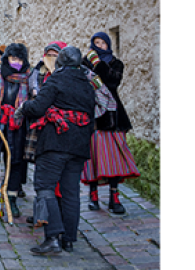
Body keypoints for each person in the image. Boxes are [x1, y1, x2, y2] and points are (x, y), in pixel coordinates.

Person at [16, 46, 96, 254]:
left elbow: (38, 107)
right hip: (78, 145)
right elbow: (92, 117)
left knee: (44, 186)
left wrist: (24, 107)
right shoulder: (87, 85)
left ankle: (52, 237)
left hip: (55, 143)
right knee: (71, 192)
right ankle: (68, 239)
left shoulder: (56, 80)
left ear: (60, 62)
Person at [81, 32, 140, 214]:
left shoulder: (116, 63)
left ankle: (114, 197)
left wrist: (98, 64)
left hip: (113, 117)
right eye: (96, 43)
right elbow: (83, 84)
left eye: (103, 43)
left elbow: (112, 82)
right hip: (94, 116)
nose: (100, 46)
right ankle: (93, 196)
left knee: (115, 159)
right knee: (94, 158)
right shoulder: (85, 64)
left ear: (108, 44)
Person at [0, 43, 30, 218]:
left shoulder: (28, 78)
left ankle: (11, 198)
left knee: (15, 162)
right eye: (13, 58)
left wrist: (23, 109)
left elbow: (33, 101)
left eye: (19, 59)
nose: (16, 62)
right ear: (6, 58)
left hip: (16, 126)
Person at [24, 41, 67, 223]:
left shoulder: (66, 76)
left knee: (58, 179)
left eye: (55, 55)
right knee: (40, 176)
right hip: (39, 128)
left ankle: (57, 216)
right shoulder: (37, 73)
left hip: (58, 130)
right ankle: (40, 215)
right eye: (48, 55)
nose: (51, 59)